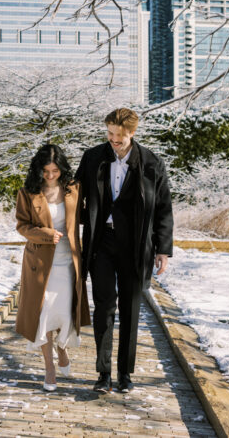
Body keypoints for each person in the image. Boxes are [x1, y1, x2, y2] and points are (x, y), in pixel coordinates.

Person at [75, 107, 173, 393]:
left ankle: (125, 374)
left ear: (132, 133)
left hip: (136, 245)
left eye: (119, 135)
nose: (113, 140)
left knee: (131, 308)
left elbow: (164, 209)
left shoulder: (152, 164)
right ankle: (103, 374)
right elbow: (75, 193)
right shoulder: (93, 157)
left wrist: (162, 249)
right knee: (104, 306)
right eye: (109, 134)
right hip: (102, 241)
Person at [14, 143, 91, 392]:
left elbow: (87, 215)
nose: (50, 176)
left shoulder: (73, 189)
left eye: (55, 171)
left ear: (62, 169)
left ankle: (62, 348)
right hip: (40, 264)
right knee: (44, 313)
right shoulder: (27, 192)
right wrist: (45, 234)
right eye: (45, 171)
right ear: (38, 170)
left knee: (65, 312)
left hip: (68, 261)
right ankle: (49, 367)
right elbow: (22, 226)